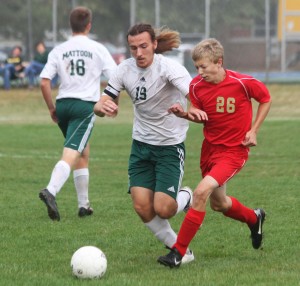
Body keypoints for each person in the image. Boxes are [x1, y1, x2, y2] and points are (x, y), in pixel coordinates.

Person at [157, 38, 272, 268]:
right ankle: (254, 217)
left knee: (201, 192)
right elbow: (197, 112)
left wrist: (254, 130)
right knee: (219, 204)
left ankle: (178, 253)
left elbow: (265, 98)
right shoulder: (196, 86)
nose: (199, 72)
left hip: (233, 152)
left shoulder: (242, 82)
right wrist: (185, 114)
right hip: (210, 150)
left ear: (219, 62)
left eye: (203, 67)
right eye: (196, 67)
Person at [93, 23, 194, 264]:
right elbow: (103, 101)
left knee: (164, 208)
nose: (138, 53)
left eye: (143, 46)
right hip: (140, 147)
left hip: (169, 147)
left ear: (155, 45)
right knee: (142, 207)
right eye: (133, 48)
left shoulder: (170, 69)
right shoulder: (123, 70)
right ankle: (182, 251)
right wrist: (100, 107)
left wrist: (194, 110)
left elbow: (195, 95)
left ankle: (187, 196)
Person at [38, 6, 117, 221]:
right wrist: (111, 99)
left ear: (70, 25)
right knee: (72, 152)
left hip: (63, 104)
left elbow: (44, 82)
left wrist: (51, 108)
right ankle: (51, 190)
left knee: (82, 152)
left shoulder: (59, 49)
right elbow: (115, 77)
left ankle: (84, 206)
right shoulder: (98, 48)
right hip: (85, 106)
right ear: (89, 25)